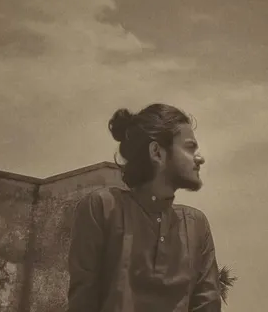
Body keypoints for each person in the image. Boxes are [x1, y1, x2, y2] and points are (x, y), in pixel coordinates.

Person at [67, 103, 221, 312]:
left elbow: (207, 306)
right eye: (189, 147)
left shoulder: (196, 225)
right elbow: (82, 303)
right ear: (157, 152)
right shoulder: (103, 208)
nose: (200, 158)